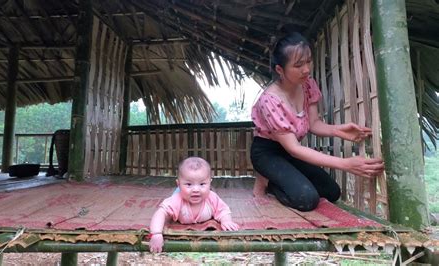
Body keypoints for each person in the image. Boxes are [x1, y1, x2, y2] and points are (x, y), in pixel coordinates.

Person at [250, 32, 384, 212]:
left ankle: (282, 178)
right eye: (298, 65)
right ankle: (267, 179)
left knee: (332, 191)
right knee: (307, 199)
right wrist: (346, 164)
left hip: (291, 152)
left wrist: (338, 130)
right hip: (267, 153)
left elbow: (313, 123)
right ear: (280, 70)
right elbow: (294, 148)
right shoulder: (270, 100)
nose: (306, 69)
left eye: (308, 61)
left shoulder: (307, 84)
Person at [148, 157, 239, 253]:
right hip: (179, 196)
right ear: (178, 184)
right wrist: (156, 234)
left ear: (210, 183)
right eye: (188, 184)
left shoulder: (211, 198)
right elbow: (161, 213)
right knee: (171, 202)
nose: (196, 189)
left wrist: (226, 220)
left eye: (202, 184)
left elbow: (223, 210)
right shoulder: (177, 200)